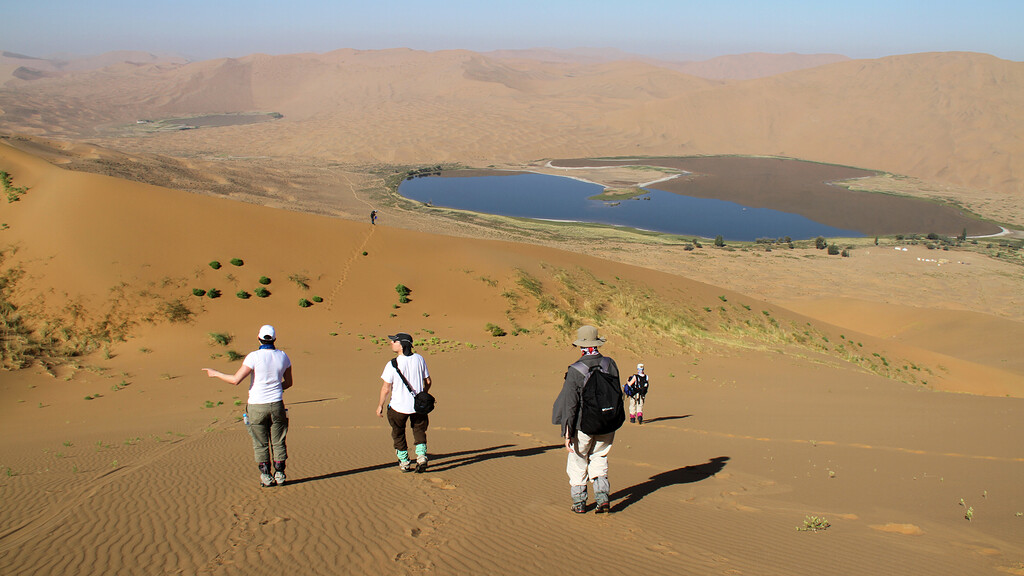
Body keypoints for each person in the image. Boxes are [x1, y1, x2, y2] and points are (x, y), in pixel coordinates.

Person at [203, 324, 292, 487]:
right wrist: (275, 388)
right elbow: (289, 383)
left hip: (257, 406)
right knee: (278, 440)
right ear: (274, 339)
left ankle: (266, 477)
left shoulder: (253, 357)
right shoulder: (283, 356)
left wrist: (215, 373)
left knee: (260, 442)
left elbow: (235, 380)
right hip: (277, 404)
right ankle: (280, 474)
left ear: (259, 338)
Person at [552, 325, 620, 514]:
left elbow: (570, 405)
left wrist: (567, 433)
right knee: (600, 457)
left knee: (577, 461)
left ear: (581, 345)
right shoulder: (610, 364)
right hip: (607, 423)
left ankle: (580, 502)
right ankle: (602, 498)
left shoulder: (575, 370)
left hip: (583, 426)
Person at [377, 332, 432, 473]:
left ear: (402, 344)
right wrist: (422, 394)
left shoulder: (392, 364)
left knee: (398, 433)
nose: (391, 343)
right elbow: (428, 381)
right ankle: (421, 456)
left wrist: (380, 405)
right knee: (419, 431)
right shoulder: (420, 359)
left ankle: (404, 461)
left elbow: (386, 388)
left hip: (398, 407)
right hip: (418, 407)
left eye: (394, 341)